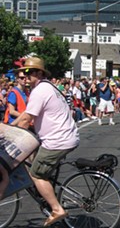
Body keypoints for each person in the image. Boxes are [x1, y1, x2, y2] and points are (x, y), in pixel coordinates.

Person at [13, 57, 79, 227]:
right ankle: (51, 198)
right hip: (63, 137)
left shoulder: (40, 91)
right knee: (41, 170)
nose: (25, 75)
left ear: (39, 73)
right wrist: (8, 127)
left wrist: (11, 134)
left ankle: (57, 209)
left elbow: (26, 119)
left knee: (36, 174)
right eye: (24, 72)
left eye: (29, 72)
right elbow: (25, 115)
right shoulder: (47, 87)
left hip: (57, 141)